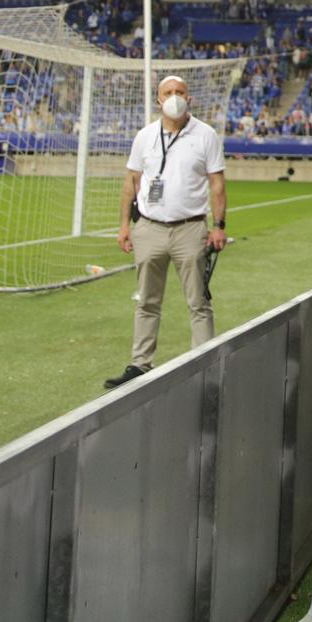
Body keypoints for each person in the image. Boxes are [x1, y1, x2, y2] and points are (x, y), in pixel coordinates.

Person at [103, 76, 227, 391]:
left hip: (190, 229)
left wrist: (218, 226)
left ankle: (204, 362)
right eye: (168, 93)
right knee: (146, 300)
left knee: (198, 301)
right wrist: (124, 225)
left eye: (180, 92)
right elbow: (131, 181)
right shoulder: (144, 137)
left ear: (190, 97)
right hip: (149, 227)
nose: (174, 97)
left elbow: (217, 183)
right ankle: (139, 364)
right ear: (158, 100)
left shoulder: (205, 136)